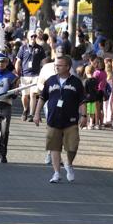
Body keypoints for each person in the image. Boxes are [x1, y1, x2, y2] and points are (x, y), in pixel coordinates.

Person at [34, 55, 87, 183]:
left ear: (68, 67)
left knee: (72, 147)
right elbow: (42, 98)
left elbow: (82, 101)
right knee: (54, 147)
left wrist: (84, 116)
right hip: (53, 120)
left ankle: (69, 164)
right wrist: (36, 114)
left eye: (59, 65)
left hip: (71, 120)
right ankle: (56, 173)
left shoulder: (76, 82)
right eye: (55, 65)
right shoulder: (51, 80)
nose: (56, 67)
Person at [15, 32, 46, 121]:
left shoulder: (40, 49)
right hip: (25, 75)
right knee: (25, 95)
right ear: (28, 37)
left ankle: (31, 114)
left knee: (33, 94)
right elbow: (18, 61)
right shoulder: (23, 48)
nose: (33, 37)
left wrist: (44, 73)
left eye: (35, 36)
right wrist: (17, 73)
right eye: (31, 36)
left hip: (36, 75)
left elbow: (43, 62)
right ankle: (25, 109)